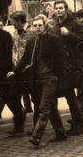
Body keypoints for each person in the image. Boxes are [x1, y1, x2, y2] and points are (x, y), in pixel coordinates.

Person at [9, 15, 67, 147]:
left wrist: (57, 75)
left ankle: (37, 136)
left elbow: (61, 59)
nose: (37, 28)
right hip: (37, 79)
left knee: (44, 107)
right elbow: (25, 58)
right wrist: (15, 71)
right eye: (35, 26)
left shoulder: (53, 39)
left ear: (45, 25)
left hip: (50, 78)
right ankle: (61, 132)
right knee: (50, 106)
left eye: (40, 25)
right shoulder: (32, 41)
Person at [49, 0, 83, 135]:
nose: (58, 10)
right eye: (56, 8)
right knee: (65, 94)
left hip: (70, 64)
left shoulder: (74, 23)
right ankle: (76, 122)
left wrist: (69, 34)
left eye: (60, 8)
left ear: (65, 9)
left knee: (70, 94)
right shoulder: (55, 25)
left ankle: (78, 123)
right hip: (60, 65)